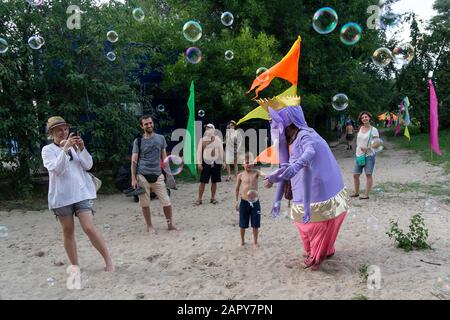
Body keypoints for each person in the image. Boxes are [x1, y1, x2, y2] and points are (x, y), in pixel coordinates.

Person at [264, 103, 349, 271]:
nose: (272, 127)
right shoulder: (292, 139)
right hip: (304, 190)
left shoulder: (305, 135)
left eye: (274, 123)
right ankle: (318, 250)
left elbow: (309, 152)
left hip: (317, 191)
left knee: (313, 225)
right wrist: (276, 199)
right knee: (304, 223)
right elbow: (284, 167)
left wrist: (297, 166)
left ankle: (317, 256)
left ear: (287, 123)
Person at [41, 116, 114, 272]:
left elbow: (88, 165)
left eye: (66, 129)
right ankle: (75, 265)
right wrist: (65, 149)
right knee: (68, 231)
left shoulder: (74, 147)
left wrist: (82, 148)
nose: (64, 132)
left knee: (89, 227)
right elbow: (57, 169)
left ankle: (108, 261)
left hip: (81, 193)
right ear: (51, 133)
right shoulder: (47, 150)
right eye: (59, 130)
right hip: (62, 197)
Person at [131, 115, 177, 233]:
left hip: (157, 175)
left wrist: (169, 176)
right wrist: (133, 179)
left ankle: (170, 224)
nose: (149, 125)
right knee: (145, 203)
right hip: (142, 176)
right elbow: (134, 161)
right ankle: (149, 226)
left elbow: (164, 158)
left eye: (150, 123)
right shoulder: (138, 141)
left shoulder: (161, 138)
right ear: (141, 126)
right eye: (146, 124)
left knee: (166, 201)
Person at [235, 152, 264, 248]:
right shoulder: (240, 175)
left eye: (251, 162)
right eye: (247, 162)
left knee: (255, 223)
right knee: (242, 224)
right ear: (242, 164)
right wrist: (236, 202)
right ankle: (242, 240)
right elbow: (237, 189)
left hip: (255, 202)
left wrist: (270, 176)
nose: (249, 164)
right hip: (244, 202)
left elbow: (264, 174)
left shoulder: (256, 172)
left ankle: (255, 242)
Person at [351, 111, 380, 200]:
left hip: (369, 155)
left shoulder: (373, 129)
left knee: (368, 174)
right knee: (355, 175)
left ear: (369, 118)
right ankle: (356, 193)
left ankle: (366, 195)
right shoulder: (360, 128)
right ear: (361, 120)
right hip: (359, 155)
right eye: (362, 117)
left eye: (366, 117)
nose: (364, 118)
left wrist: (368, 148)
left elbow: (377, 143)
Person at [195, 123, 224, 205]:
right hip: (205, 162)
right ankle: (199, 199)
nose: (207, 130)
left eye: (209, 128)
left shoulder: (218, 139)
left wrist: (223, 161)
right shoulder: (202, 140)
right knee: (202, 181)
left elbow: (221, 150)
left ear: (213, 129)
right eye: (206, 129)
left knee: (214, 181)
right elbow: (199, 152)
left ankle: (213, 198)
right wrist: (199, 163)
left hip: (215, 162)